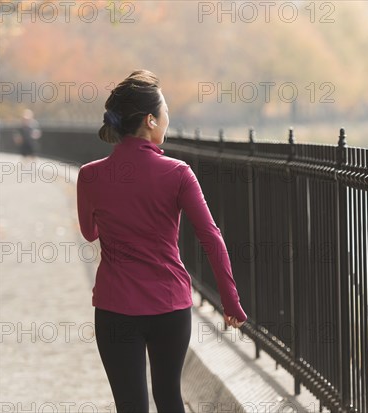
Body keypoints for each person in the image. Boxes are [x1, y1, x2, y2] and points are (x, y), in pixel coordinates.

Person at [76, 70, 247, 413]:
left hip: (115, 308)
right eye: (165, 111)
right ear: (151, 121)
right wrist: (231, 303)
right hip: (169, 307)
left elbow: (89, 232)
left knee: (130, 404)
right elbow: (210, 236)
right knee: (169, 396)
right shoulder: (178, 172)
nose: (169, 118)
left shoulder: (90, 175)